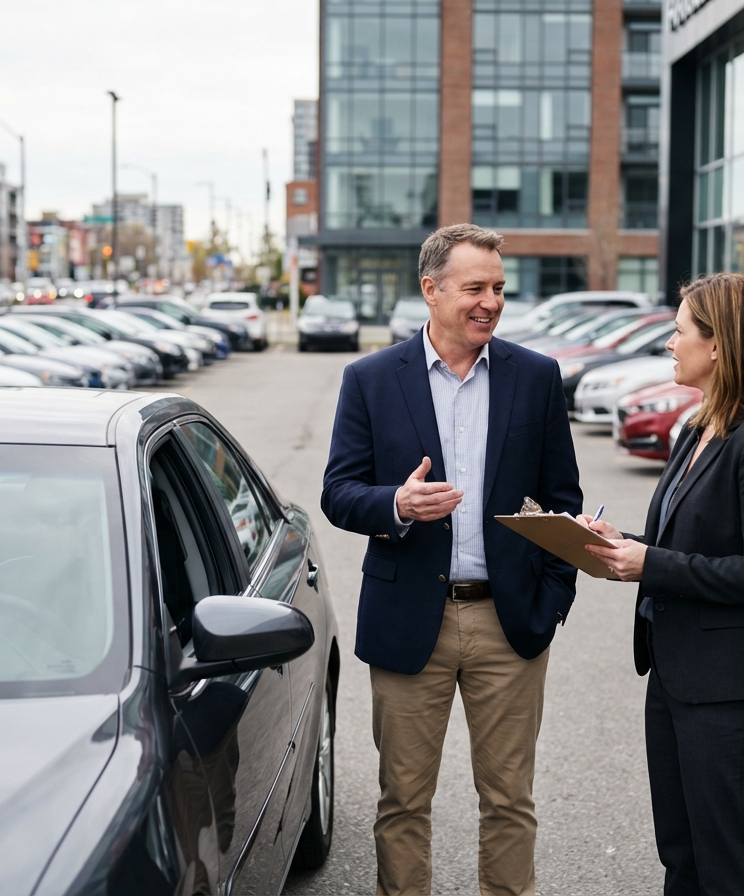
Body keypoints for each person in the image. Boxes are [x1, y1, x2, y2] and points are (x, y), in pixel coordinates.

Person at [321, 223, 583, 895]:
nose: (489, 302)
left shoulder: (535, 377)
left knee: (509, 801)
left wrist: (550, 602)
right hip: (409, 618)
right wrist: (397, 505)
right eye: (474, 288)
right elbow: (339, 493)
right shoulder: (372, 379)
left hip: (509, 622)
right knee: (403, 800)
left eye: (497, 288)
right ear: (431, 291)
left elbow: (563, 501)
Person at [581, 272, 744, 896]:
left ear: (720, 345)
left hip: (732, 688)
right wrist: (610, 543)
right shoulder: (698, 427)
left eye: (678, 332)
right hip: (677, 672)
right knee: (681, 854)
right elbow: (688, 543)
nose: (668, 345)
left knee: (728, 862)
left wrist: (649, 565)